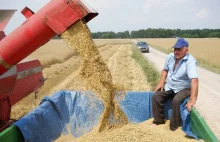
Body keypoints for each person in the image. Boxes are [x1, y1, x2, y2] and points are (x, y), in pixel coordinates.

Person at [152, 38, 199, 131]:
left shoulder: (190, 61)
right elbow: (165, 70)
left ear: (186, 50)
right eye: (175, 49)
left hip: (183, 88)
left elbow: (194, 81)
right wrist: (161, 82)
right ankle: (158, 121)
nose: (176, 52)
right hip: (169, 86)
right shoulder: (170, 57)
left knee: (176, 101)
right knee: (156, 96)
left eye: (179, 49)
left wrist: (193, 100)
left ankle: (174, 127)